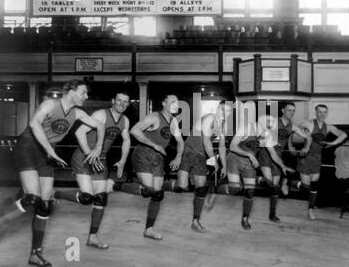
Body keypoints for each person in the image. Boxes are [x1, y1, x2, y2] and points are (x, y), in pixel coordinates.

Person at [0, 80, 104, 267]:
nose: (86, 96)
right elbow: (34, 124)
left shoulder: (78, 113)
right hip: (28, 148)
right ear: (70, 91)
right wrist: (51, 151)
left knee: (45, 206)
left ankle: (35, 254)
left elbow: (100, 125)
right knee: (32, 198)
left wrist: (97, 147)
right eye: (83, 92)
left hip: (46, 153)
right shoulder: (50, 104)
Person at [54, 91, 131, 249]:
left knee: (101, 199)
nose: (122, 104)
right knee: (87, 197)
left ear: (128, 104)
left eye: (125, 102)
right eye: (119, 101)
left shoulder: (125, 121)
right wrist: (90, 153)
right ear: (113, 100)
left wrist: (122, 161)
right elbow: (79, 132)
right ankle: (56, 194)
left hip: (100, 160)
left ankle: (93, 237)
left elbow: (127, 140)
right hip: (83, 156)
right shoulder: (101, 115)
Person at [114, 95, 184, 240]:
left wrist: (178, 157)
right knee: (147, 191)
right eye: (172, 101)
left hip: (158, 158)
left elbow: (180, 141)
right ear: (164, 103)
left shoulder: (174, 122)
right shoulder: (154, 117)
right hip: (143, 153)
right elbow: (134, 130)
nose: (175, 104)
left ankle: (149, 229)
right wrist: (154, 145)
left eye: (176, 102)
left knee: (158, 195)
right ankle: (115, 186)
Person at [174, 101, 231, 233]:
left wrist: (224, 166)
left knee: (201, 188)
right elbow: (206, 140)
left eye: (227, 111)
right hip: (189, 152)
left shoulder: (223, 125)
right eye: (223, 110)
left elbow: (222, 147)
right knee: (181, 187)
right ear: (217, 108)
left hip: (201, 156)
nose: (224, 113)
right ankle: (163, 185)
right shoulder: (210, 118)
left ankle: (195, 221)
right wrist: (214, 161)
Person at [257, 102, 311, 222]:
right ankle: (260, 180)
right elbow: (260, 135)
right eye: (289, 110)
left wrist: (306, 147)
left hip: (278, 157)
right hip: (266, 154)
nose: (291, 113)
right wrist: (270, 139)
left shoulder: (293, 126)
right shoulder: (273, 122)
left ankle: (272, 214)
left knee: (275, 188)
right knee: (270, 182)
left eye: (293, 111)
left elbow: (308, 137)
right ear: (282, 111)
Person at [293, 104, 347, 220]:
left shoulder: (328, 127)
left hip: (317, 158)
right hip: (305, 157)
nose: (322, 114)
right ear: (315, 112)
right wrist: (293, 145)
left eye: (324, 112)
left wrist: (332, 143)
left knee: (314, 186)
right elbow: (291, 130)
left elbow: (344, 135)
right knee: (305, 187)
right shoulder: (308, 123)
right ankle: (287, 182)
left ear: (327, 113)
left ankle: (310, 210)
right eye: (320, 112)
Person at [226, 115, 277, 230]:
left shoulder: (267, 134)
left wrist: (283, 165)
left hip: (249, 163)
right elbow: (232, 146)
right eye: (269, 122)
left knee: (250, 192)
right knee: (235, 189)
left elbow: (272, 153)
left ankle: (245, 218)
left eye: (272, 122)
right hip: (234, 159)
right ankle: (224, 186)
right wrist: (249, 154)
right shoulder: (246, 128)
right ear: (260, 122)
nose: (271, 124)